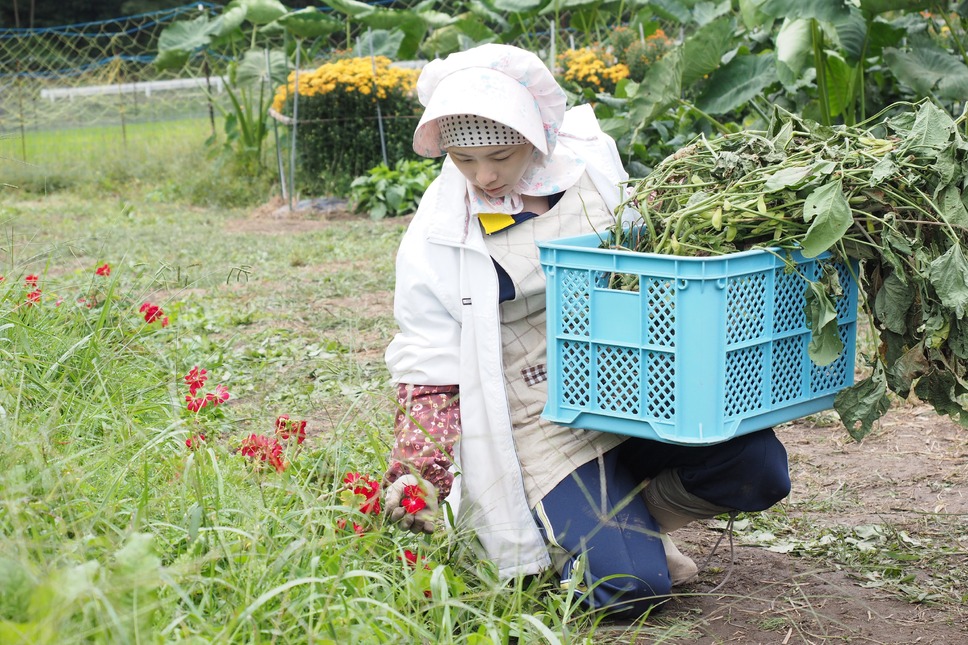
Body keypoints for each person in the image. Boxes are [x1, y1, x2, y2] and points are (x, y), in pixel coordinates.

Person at [381, 43, 791, 618]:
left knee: (757, 469)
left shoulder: (591, 166)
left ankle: (633, 526)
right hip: (539, 414)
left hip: (626, 383)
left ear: (537, 131)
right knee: (629, 589)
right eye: (462, 160)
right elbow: (429, 359)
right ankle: (602, 543)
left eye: (500, 154)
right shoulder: (437, 232)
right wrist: (419, 469)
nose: (486, 175)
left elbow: (650, 260)